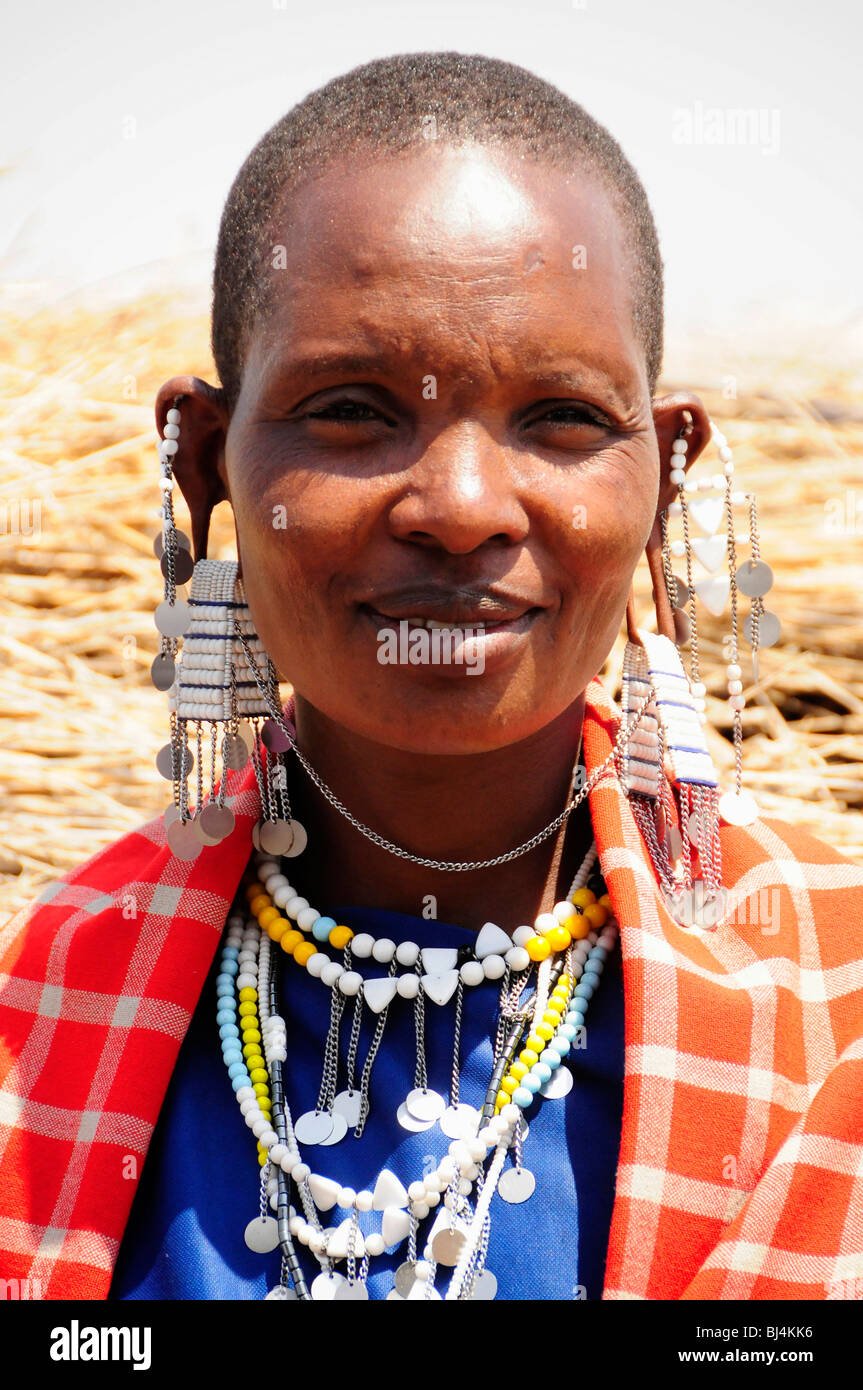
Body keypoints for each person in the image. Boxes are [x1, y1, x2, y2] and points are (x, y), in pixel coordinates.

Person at [1, 52, 862, 1304]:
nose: (460, 509)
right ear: (206, 467)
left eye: (561, 418)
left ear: (663, 478)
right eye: (350, 409)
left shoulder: (833, 1002)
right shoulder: (48, 1013)